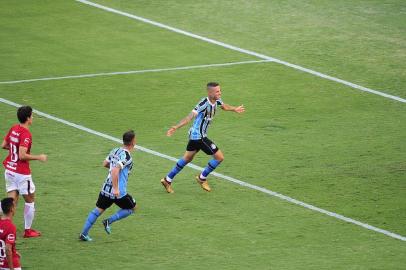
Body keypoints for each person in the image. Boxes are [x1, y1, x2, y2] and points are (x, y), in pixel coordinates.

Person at [161, 82, 245, 193]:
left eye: (220, 90)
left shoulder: (217, 99)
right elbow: (189, 117)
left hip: (195, 136)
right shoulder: (203, 104)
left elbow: (224, 106)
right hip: (199, 137)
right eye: (217, 91)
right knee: (219, 157)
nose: (220, 93)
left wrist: (234, 109)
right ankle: (202, 178)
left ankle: (168, 179)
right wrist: (176, 127)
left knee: (187, 159)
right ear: (210, 93)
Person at [79, 130, 137, 241]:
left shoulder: (115, 150)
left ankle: (84, 234)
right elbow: (115, 170)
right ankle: (108, 221)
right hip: (118, 192)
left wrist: (114, 171)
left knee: (97, 211)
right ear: (133, 142)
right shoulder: (127, 157)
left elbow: (105, 164)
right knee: (132, 208)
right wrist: (116, 188)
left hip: (106, 188)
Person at [1, 106, 47, 238]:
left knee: (11, 201)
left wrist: (13, 150)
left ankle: (5, 226)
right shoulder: (26, 134)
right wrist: (39, 157)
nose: (33, 117)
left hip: (9, 169)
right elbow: (22, 155)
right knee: (30, 199)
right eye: (32, 115)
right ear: (27, 118)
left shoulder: (14, 128)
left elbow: (4, 145)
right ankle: (27, 231)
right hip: (21, 173)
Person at [0, 197, 22, 270]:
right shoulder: (10, 227)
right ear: (11, 209)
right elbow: (8, 249)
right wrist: (11, 268)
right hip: (9, 265)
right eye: (15, 206)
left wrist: (15, 251)